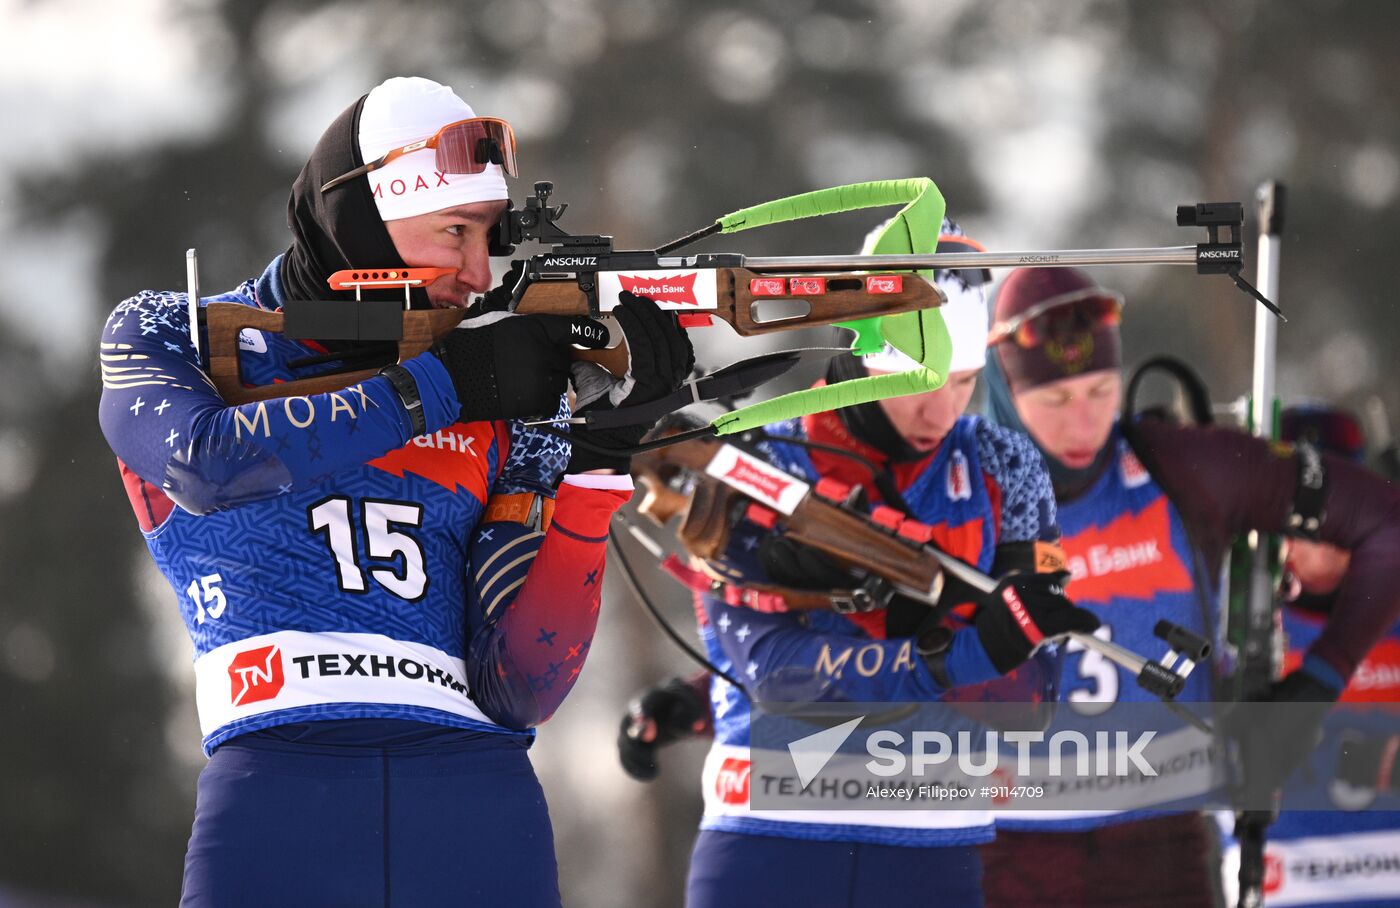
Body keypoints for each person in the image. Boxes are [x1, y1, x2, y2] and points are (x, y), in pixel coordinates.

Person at [98, 76, 692, 907]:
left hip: (478, 806)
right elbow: (206, 465)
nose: (478, 273)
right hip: (277, 797)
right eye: (454, 232)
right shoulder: (175, 333)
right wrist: (438, 390)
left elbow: (521, 683)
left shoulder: (506, 387)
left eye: (490, 237)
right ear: (361, 220)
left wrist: (596, 468)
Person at [621, 223, 1100, 908]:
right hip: (768, 837)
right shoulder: (763, 460)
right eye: (920, 381)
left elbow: (1027, 701)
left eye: (964, 383)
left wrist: (931, 636)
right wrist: (956, 652)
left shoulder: (1005, 463)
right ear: (865, 348)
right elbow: (776, 673)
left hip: (932, 847)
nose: (942, 410)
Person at [978, 266, 1400, 908]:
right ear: (1004, 391)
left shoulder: (1182, 467)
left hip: (1160, 852)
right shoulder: (953, 487)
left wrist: (1319, 683)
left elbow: (1386, 525)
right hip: (1000, 854)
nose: (1084, 423)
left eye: (1099, 390)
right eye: (1055, 401)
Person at [1218, 403, 1400, 908]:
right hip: (1283, 884)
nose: (1322, 522)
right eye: (1301, 501)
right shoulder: (1236, 625)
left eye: (1346, 495)